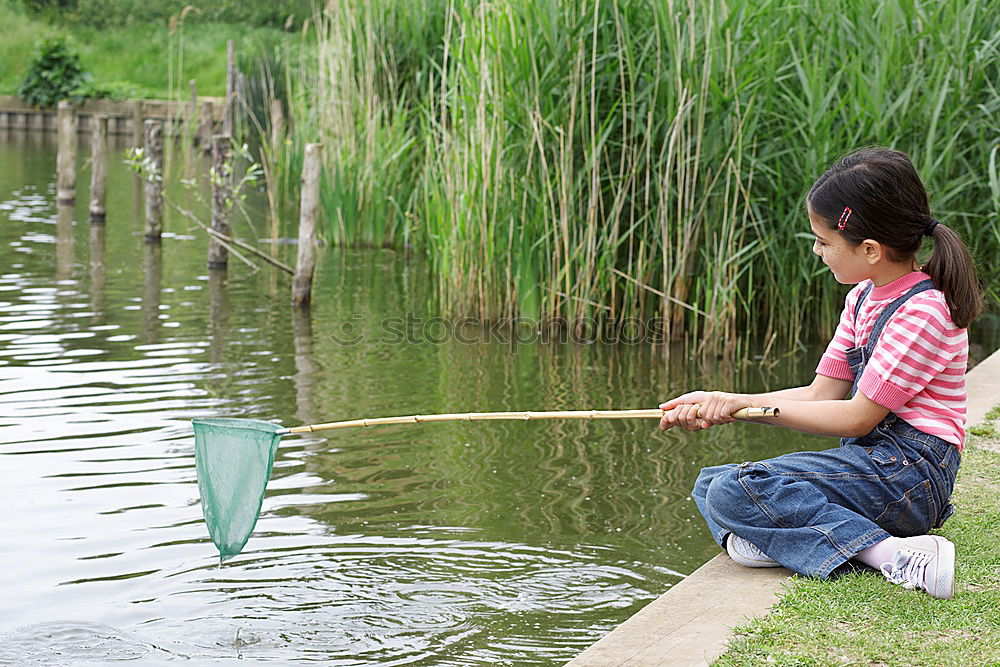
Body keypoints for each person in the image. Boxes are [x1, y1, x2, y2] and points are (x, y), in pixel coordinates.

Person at [659, 147, 982, 600]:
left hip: (911, 476)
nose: (817, 251)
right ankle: (788, 539)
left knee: (737, 489)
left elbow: (856, 419)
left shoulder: (922, 312)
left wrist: (746, 410)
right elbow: (818, 395)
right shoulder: (863, 298)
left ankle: (897, 555)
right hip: (876, 465)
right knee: (711, 481)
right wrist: (728, 401)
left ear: (869, 249)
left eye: (824, 241)